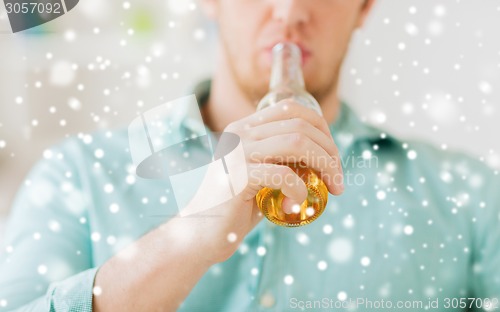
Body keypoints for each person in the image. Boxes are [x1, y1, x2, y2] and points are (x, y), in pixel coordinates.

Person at [1, 0, 499, 311]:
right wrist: (188, 237)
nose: (287, 12)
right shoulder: (77, 175)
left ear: (366, 6)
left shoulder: (468, 198)